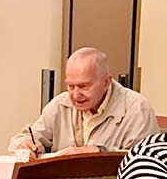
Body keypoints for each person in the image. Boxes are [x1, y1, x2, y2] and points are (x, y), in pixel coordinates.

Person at [9, 47, 159, 159]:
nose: (75, 95)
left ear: (106, 82)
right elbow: (24, 139)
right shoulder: (60, 104)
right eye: (70, 86)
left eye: (83, 86)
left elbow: (147, 160)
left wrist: (102, 152)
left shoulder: (137, 108)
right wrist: (24, 146)